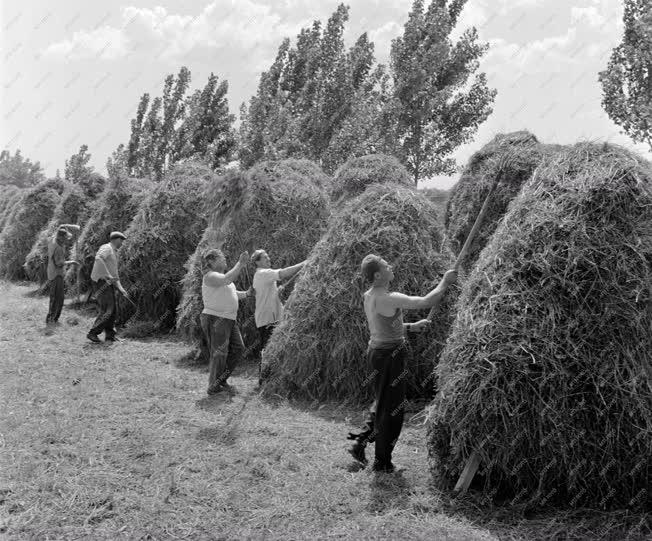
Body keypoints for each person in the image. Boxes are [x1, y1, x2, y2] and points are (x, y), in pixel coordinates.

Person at [348, 255, 457, 473]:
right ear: (378, 275)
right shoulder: (389, 297)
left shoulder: (370, 296)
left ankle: (359, 442)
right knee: (392, 410)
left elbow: (383, 324)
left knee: (382, 402)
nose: (391, 266)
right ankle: (383, 463)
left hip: (377, 352)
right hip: (390, 356)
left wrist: (410, 327)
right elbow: (427, 301)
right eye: (386, 266)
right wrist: (445, 281)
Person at [250, 249, 305, 384]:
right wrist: (304, 263)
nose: (268, 259)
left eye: (268, 256)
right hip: (267, 318)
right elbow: (283, 273)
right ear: (257, 262)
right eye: (265, 257)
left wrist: (277, 292)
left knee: (273, 348)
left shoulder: (264, 275)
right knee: (267, 350)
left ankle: (271, 380)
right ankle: (263, 381)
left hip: (273, 317)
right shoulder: (263, 273)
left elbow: (268, 293)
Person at [201, 248, 250, 395]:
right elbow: (227, 279)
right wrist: (240, 264)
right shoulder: (210, 276)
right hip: (216, 318)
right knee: (219, 352)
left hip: (229, 319)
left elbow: (232, 293)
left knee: (238, 348)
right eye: (221, 258)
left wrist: (247, 294)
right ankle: (213, 386)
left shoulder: (222, 278)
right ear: (211, 261)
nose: (225, 260)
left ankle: (221, 379)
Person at [87, 231, 128, 343]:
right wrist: (107, 275)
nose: (122, 243)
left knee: (112, 310)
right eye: (121, 240)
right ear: (116, 239)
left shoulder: (114, 252)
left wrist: (121, 289)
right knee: (107, 310)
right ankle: (93, 333)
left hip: (107, 283)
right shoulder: (107, 247)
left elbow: (115, 275)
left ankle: (110, 336)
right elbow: (98, 258)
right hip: (101, 282)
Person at [45, 227, 72, 325]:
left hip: (51, 272)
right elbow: (59, 263)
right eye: (65, 238)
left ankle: (51, 318)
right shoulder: (58, 248)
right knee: (58, 298)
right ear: (60, 237)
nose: (66, 240)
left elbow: (58, 231)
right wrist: (71, 262)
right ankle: (53, 319)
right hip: (57, 274)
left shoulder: (52, 241)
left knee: (54, 297)